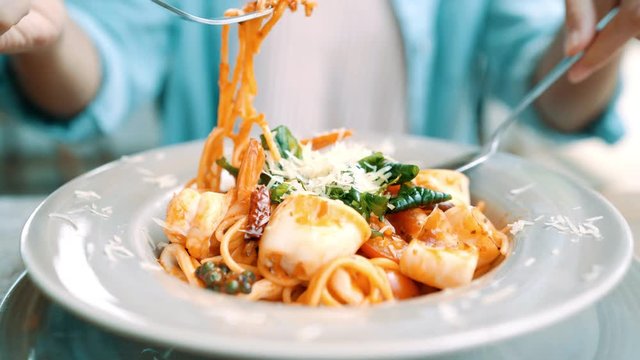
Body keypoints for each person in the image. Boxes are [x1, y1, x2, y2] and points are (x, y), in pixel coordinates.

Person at [0, 0, 637, 145]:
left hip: (413, 281)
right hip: (219, 281)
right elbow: (101, 71)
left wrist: (603, 31)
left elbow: (552, 98)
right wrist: (45, 33)